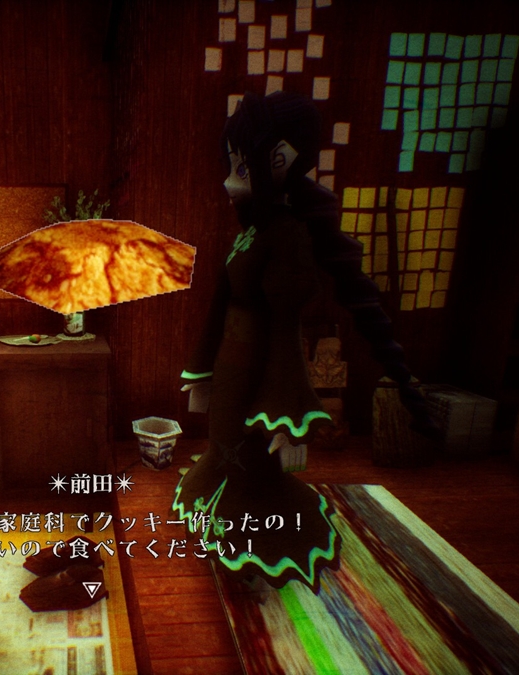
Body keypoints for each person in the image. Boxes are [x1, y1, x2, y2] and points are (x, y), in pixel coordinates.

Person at [172, 91, 438, 591]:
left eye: (242, 166)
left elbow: (284, 331)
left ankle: (252, 560)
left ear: (280, 160)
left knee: (253, 468)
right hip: (230, 366)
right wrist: (202, 372)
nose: (230, 180)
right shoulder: (250, 232)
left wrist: (286, 412)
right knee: (222, 449)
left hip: (260, 370)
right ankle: (224, 540)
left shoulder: (288, 234)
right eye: (232, 165)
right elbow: (218, 305)